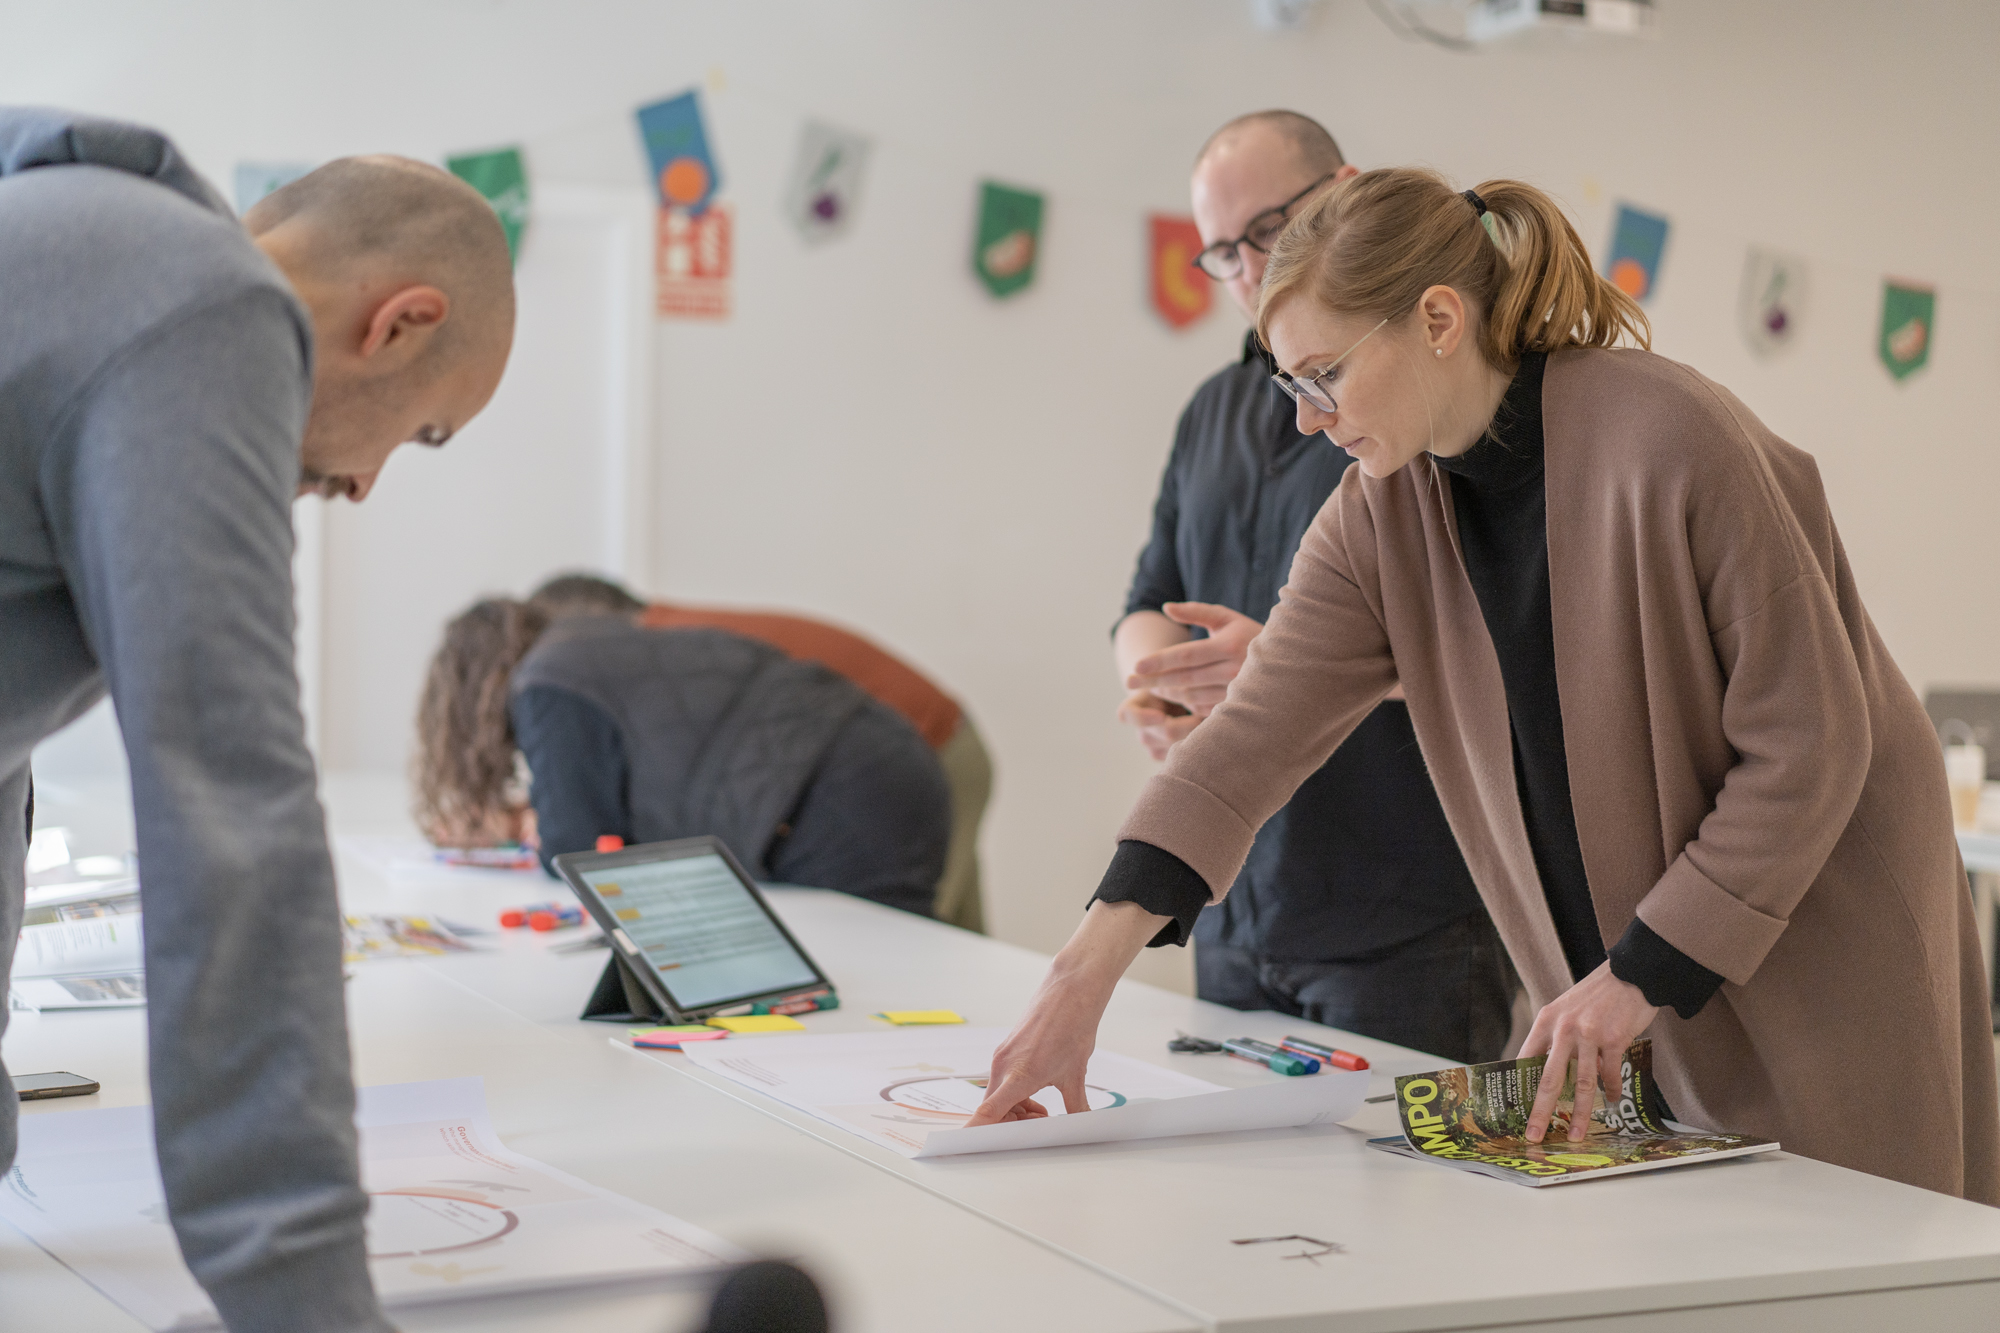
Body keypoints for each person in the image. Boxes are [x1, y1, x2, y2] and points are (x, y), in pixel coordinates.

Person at [971, 166, 2000, 1206]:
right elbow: (1244, 742)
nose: (1304, 420)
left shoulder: (1675, 437)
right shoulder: (1376, 514)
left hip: (1814, 916)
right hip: (1621, 944)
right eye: (1289, 385)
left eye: (1321, 374)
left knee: (1842, 1239)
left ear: (1435, 318)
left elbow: (1808, 747)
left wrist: (1636, 976)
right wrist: (1079, 974)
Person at [0, 108, 515, 1332]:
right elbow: (230, 806)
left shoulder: (72, 247)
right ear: (402, 322)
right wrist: (302, 1294)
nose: (367, 481)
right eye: (424, 431)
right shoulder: (204, 306)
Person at [1114, 110, 1511, 1063]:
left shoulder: (1424, 405)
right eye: (1220, 250)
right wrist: (1164, 684)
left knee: (1410, 1203)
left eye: (1264, 229)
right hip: (1237, 904)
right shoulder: (1212, 410)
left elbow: (1506, 640)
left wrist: (1293, 669)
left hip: (1404, 913)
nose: (1248, 265)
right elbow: (1145, 597)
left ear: (1344, 189)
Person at [414, 598, 951, 916]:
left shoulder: (547, 681)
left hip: (835, 794)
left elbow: (574, 851)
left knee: (871, 989)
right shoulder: (598, 643)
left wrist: (510, 823)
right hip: (890, 757)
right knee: (909, 974)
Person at [528, 572, 993, 932]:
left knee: (925, 942)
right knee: (960, 932)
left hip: (929, 744)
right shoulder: (661, 647)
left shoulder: (656, 652)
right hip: (930, 738)